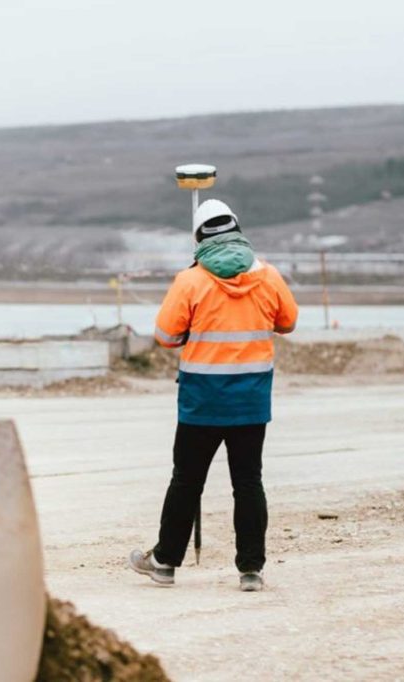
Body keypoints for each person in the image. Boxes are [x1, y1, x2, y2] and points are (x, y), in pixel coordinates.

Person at [129, 199, 298, 592]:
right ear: (237, 230)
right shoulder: (268, 276)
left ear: (199, 238)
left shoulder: (190, 281)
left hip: (201, 403)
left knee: (186, 481)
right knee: (248, 482)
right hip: (251, 402)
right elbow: (287, 322)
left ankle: (166, 562)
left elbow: (166, 336)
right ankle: (251, 570)